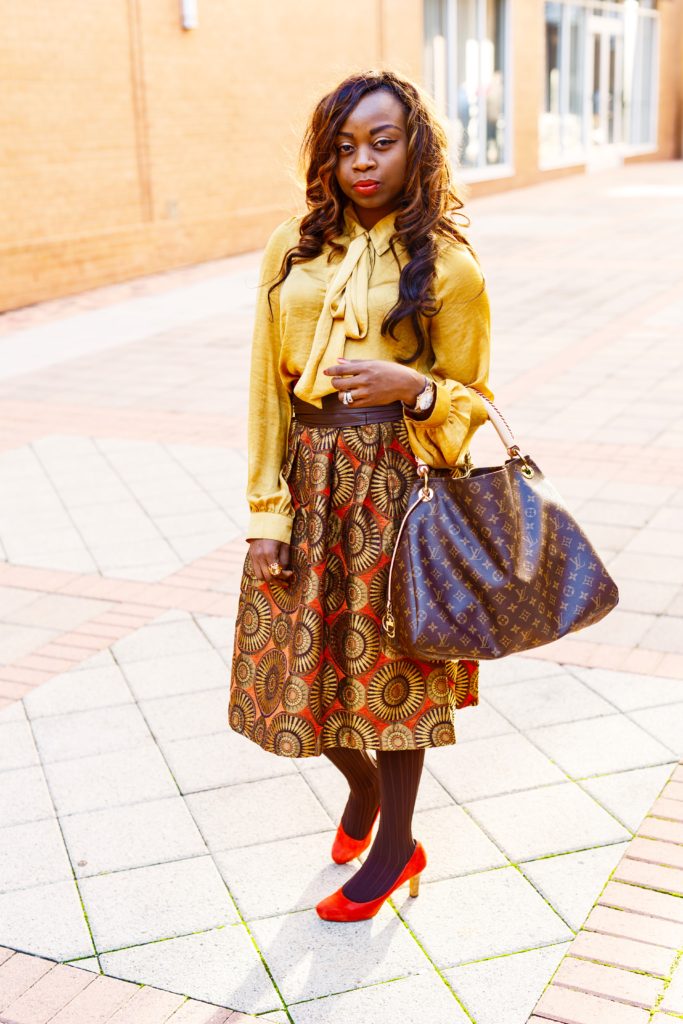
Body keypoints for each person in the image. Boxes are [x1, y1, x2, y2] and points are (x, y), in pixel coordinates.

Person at [228, 69, 493, 922]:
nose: (362, 162)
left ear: (416, 145)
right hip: (308, 475)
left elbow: (471, 400)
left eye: (381, 142)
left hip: (395, 483)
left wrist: (410, 389)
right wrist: (265, 510)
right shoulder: (294, 247)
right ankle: (363, 791)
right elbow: (265, 388)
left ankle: (393, 844)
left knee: (392, 676)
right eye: (344, 147)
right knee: (298, 670)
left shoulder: (449, 267)